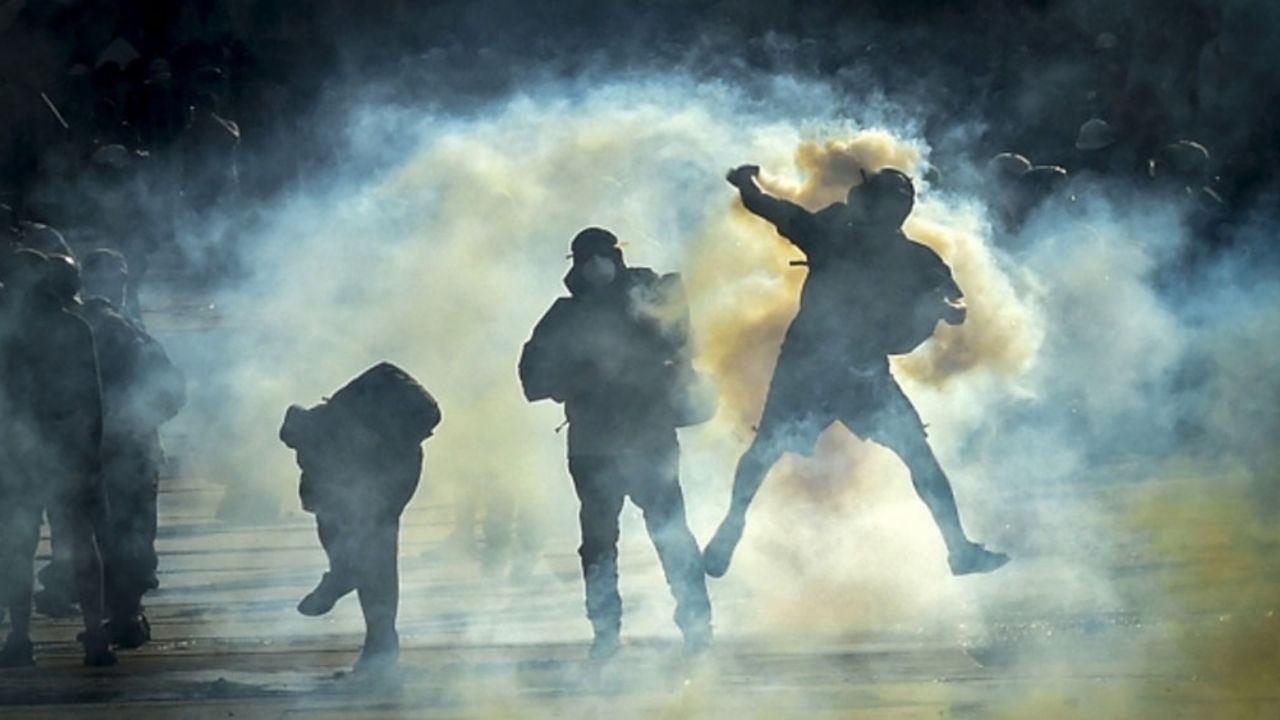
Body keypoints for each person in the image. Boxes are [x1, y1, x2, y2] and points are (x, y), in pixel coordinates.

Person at [702, 165, 1009, 580]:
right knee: (765, 451)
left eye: (899, 202)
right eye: (886, 201)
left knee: (918, 456)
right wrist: (746, 185)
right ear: (868, 203)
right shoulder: (832, 236)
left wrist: (945, 308)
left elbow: (954, 301)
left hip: (863, 374)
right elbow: (771, 209)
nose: (891, 211)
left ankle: (958, 548)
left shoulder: (913, 257)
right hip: (810, 369)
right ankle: (732, 524)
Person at [519, 227, 715, 662]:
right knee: (598, 543)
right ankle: (606, 632)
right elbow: (532, 375)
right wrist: (577, 378)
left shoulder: (647, 300)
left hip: (648, 438)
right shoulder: (565, 316)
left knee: (671, 535)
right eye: (585, 259)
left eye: (601, 256)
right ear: (576, 266)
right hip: (594, 446)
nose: (594, 266)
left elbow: (682, 343)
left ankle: (697, 624)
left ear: (615, 257)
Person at [280, 362, 440, 678]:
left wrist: (340, 573)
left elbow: (328, 512)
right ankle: (375, 633)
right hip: (394, 462)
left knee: (375, 552)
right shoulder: (334, 425)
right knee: (373, 551)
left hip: (392, 468)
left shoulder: (334, 438)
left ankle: (375, 633)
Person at [0, 249, 115, 668]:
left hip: (20, 456)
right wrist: (91, 456)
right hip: (64, 453)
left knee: (17, 547)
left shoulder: (9, 331)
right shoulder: (74, 328)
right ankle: (95, 636)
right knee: (79, 544)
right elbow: (92, 402)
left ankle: (19, 637)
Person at [78, 249, 185, 647]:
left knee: (107, 534)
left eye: (120, 280)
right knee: (128, 533)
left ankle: (116, 616)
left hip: (95, 448)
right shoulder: (121, 329)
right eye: (111, 280)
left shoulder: (79, 324)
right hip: (123, 448)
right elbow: (171, 388)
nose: (117, 288)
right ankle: (123, 616)